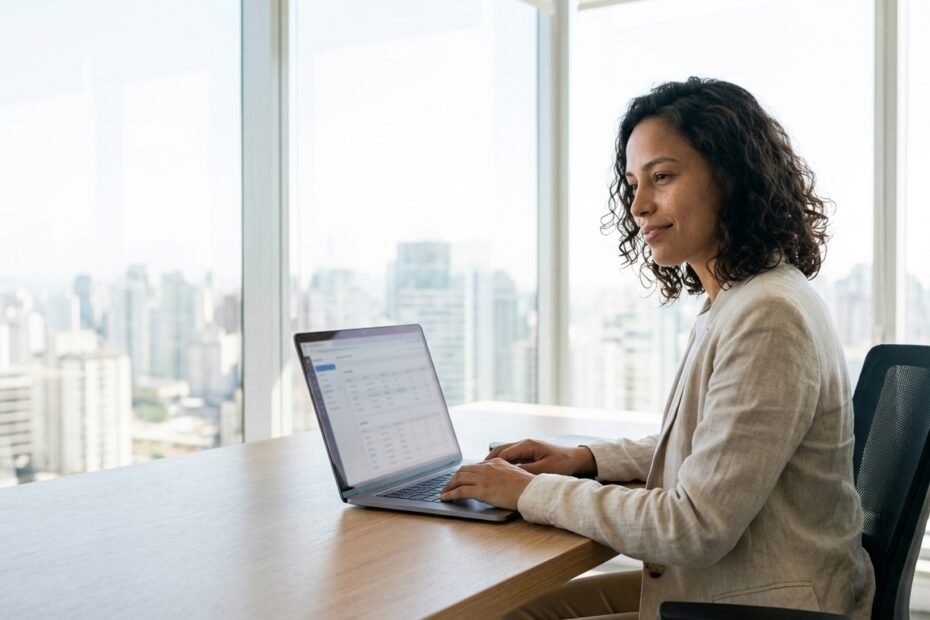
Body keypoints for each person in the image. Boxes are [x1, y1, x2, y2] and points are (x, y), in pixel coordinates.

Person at [440, 77, 875, 619]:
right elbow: (716, 447)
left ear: (731, 177)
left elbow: (692, 527)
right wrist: (586, 460)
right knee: (516, 609)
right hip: (739, 588)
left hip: (765, 604)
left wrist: (531, 492)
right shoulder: (743, 296)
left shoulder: (768, 315)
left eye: (662, 177)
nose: (640, 205)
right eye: (633, 184)